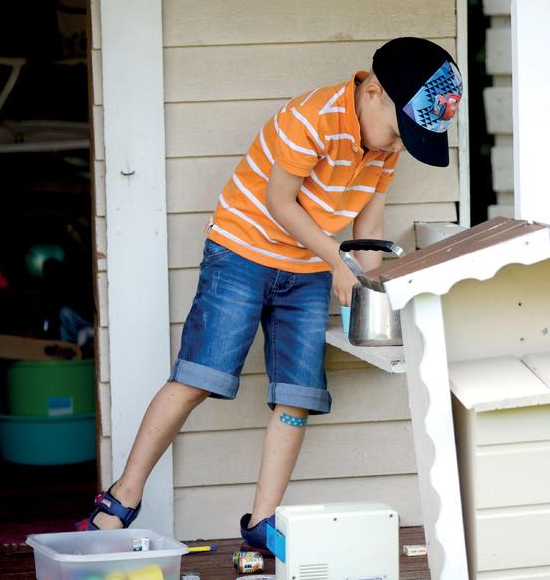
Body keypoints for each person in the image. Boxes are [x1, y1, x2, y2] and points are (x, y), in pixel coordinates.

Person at [78, 37, 463, 552]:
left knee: (296, 394)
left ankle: (261, 523)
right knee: (199, 377)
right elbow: (280, 202)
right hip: (242, 252)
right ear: (373, 91)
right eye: (401, 132)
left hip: (307, 267)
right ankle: (122, 498)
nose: (398, 147)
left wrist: (371, 282)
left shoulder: (384, 145)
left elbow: (369, 215)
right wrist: (337, 264)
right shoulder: (310, 119)